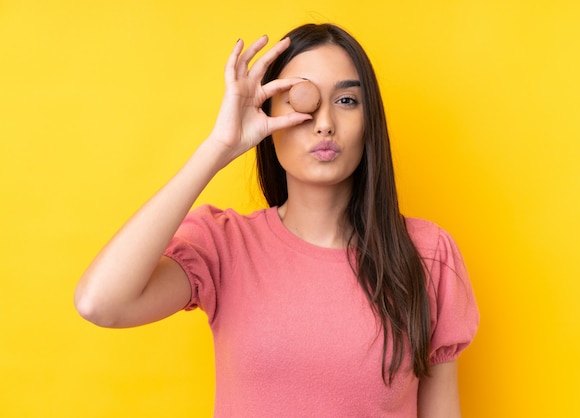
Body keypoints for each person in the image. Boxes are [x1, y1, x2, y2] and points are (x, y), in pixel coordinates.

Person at [74, 23, 479, 417]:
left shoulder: (427, 253)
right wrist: (219, 146)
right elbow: (100, 303)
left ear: (369, 121)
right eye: (302, 100)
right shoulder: (224, 244)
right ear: (267, 115)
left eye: (346, 101)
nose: (324, 124)